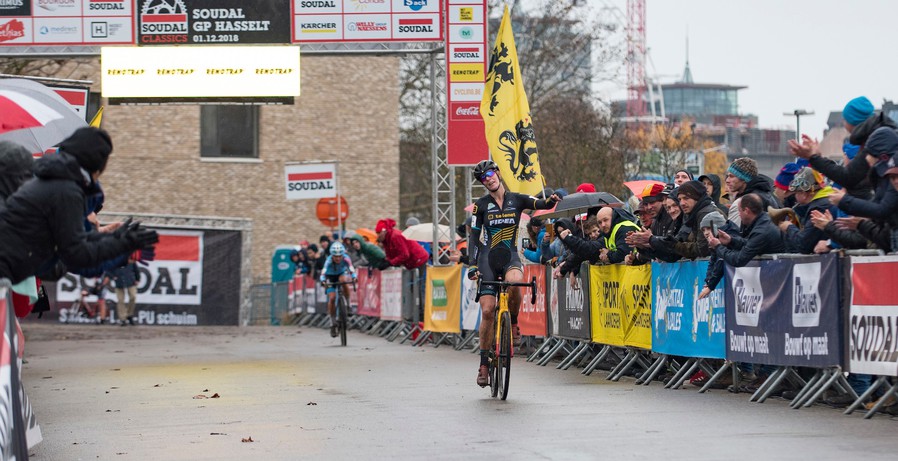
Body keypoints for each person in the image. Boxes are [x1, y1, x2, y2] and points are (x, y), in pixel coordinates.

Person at [0, 127, 158, 286]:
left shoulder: (57, 182)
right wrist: (123, 242)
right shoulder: (66, 190)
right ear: (97, 166)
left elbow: (70, 245)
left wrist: (114, 239)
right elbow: (76, 254)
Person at [466, 160, 561, 387]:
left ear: (497, 173)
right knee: (488, 311)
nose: (487, 179)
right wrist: (472, 265)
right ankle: (483, 364)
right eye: (482, 178)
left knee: (517, 282)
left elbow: (539, 202)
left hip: (510, 256)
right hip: (488, 260)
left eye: (489, 173)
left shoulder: (516, 199)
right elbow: (474, 238)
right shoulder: (481, 206)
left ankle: (515, 322)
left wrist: (551, 200)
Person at [707, 194, 786, 267]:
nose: (739, 214)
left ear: (747, 211)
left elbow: (738, 259)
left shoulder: (761, 230)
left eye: (739, 211)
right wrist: (731, 240)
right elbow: (750, 244)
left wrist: (718, 246)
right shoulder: (763, 220)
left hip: (777, 271)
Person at [779, 167, 835, 254]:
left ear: (804, 194)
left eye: (796, 193)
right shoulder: (823, 203)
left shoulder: (819, 208)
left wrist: (789, 227)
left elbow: (803, 244)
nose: (795, 197)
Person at [724, 157, 779, 226]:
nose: (727, 180)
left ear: (744, 178)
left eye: (731, 176)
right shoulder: (765, 195)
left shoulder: (749, 201)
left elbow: (733, 233)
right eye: (727, 176)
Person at [319, 242, 357, 338]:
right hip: (330, 277)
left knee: (343, 280)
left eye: (340, 256)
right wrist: (323, 280)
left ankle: (348, 304)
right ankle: (332, 323)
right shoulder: (328, 261)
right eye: (336, 256)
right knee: (332, 298)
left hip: (341, 274)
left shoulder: (346, 258)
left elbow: (351, 268)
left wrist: (354, 276)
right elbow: (323, 272)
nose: (338, 258)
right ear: (332, 255)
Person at [107, 256, 140, 326]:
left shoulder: (130, 259)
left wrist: (137, 279)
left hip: (130, 281)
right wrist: (113, 277)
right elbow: (108, 270)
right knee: (120, 300)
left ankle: (129, 314)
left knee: (133, 297)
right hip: (119, 282)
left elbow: (136, 269)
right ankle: (122, 319)